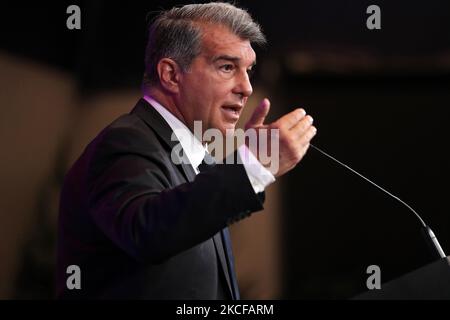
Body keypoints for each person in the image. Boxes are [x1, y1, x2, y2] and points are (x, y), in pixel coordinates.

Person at [56, 2, 317, 299]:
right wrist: (253, 167)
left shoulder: (197, 158)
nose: (246, 87)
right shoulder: (126, 142)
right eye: (227, 67)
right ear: (171, 75)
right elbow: (148, 232)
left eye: (248, 70)